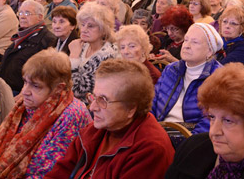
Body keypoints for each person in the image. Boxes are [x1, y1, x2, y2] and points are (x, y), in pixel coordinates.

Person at [0, 49, 91, 178]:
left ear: (58, 88)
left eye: (35, 86)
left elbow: (45, 173)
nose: (25, 91)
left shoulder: (71, 114)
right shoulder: (24, 106)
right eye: (25, 82)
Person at [46, 59, 175, 178]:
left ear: (131, 108)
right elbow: (59, 173)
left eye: (103, 100)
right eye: (94, 97)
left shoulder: (150, 149)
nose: (92, 107)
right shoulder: (94, 131)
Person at [152, 23, 223, 134]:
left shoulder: (219, 77)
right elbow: (153, 102)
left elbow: (210, 121)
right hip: (159, 131)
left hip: (189, 137)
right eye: (186, 40)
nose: (187, 46)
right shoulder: (171, 69)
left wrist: (187, 145)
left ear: (210, 51)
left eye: (195, 42)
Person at [0, 0, 56, 93]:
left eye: (27, 13)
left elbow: (43, 74)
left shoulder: (48, 40)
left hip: (23, 91)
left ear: (40, 17)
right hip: (4, 87)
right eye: (20, 13)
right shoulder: (20, 36)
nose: (22, 16)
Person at [68, 3, 118, 102]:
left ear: (104, 30)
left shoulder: (107, 56)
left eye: (90, 26)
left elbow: (77, 91)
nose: (84, 30)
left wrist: (73, 57)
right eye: (82, 25)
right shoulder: (83, 46)